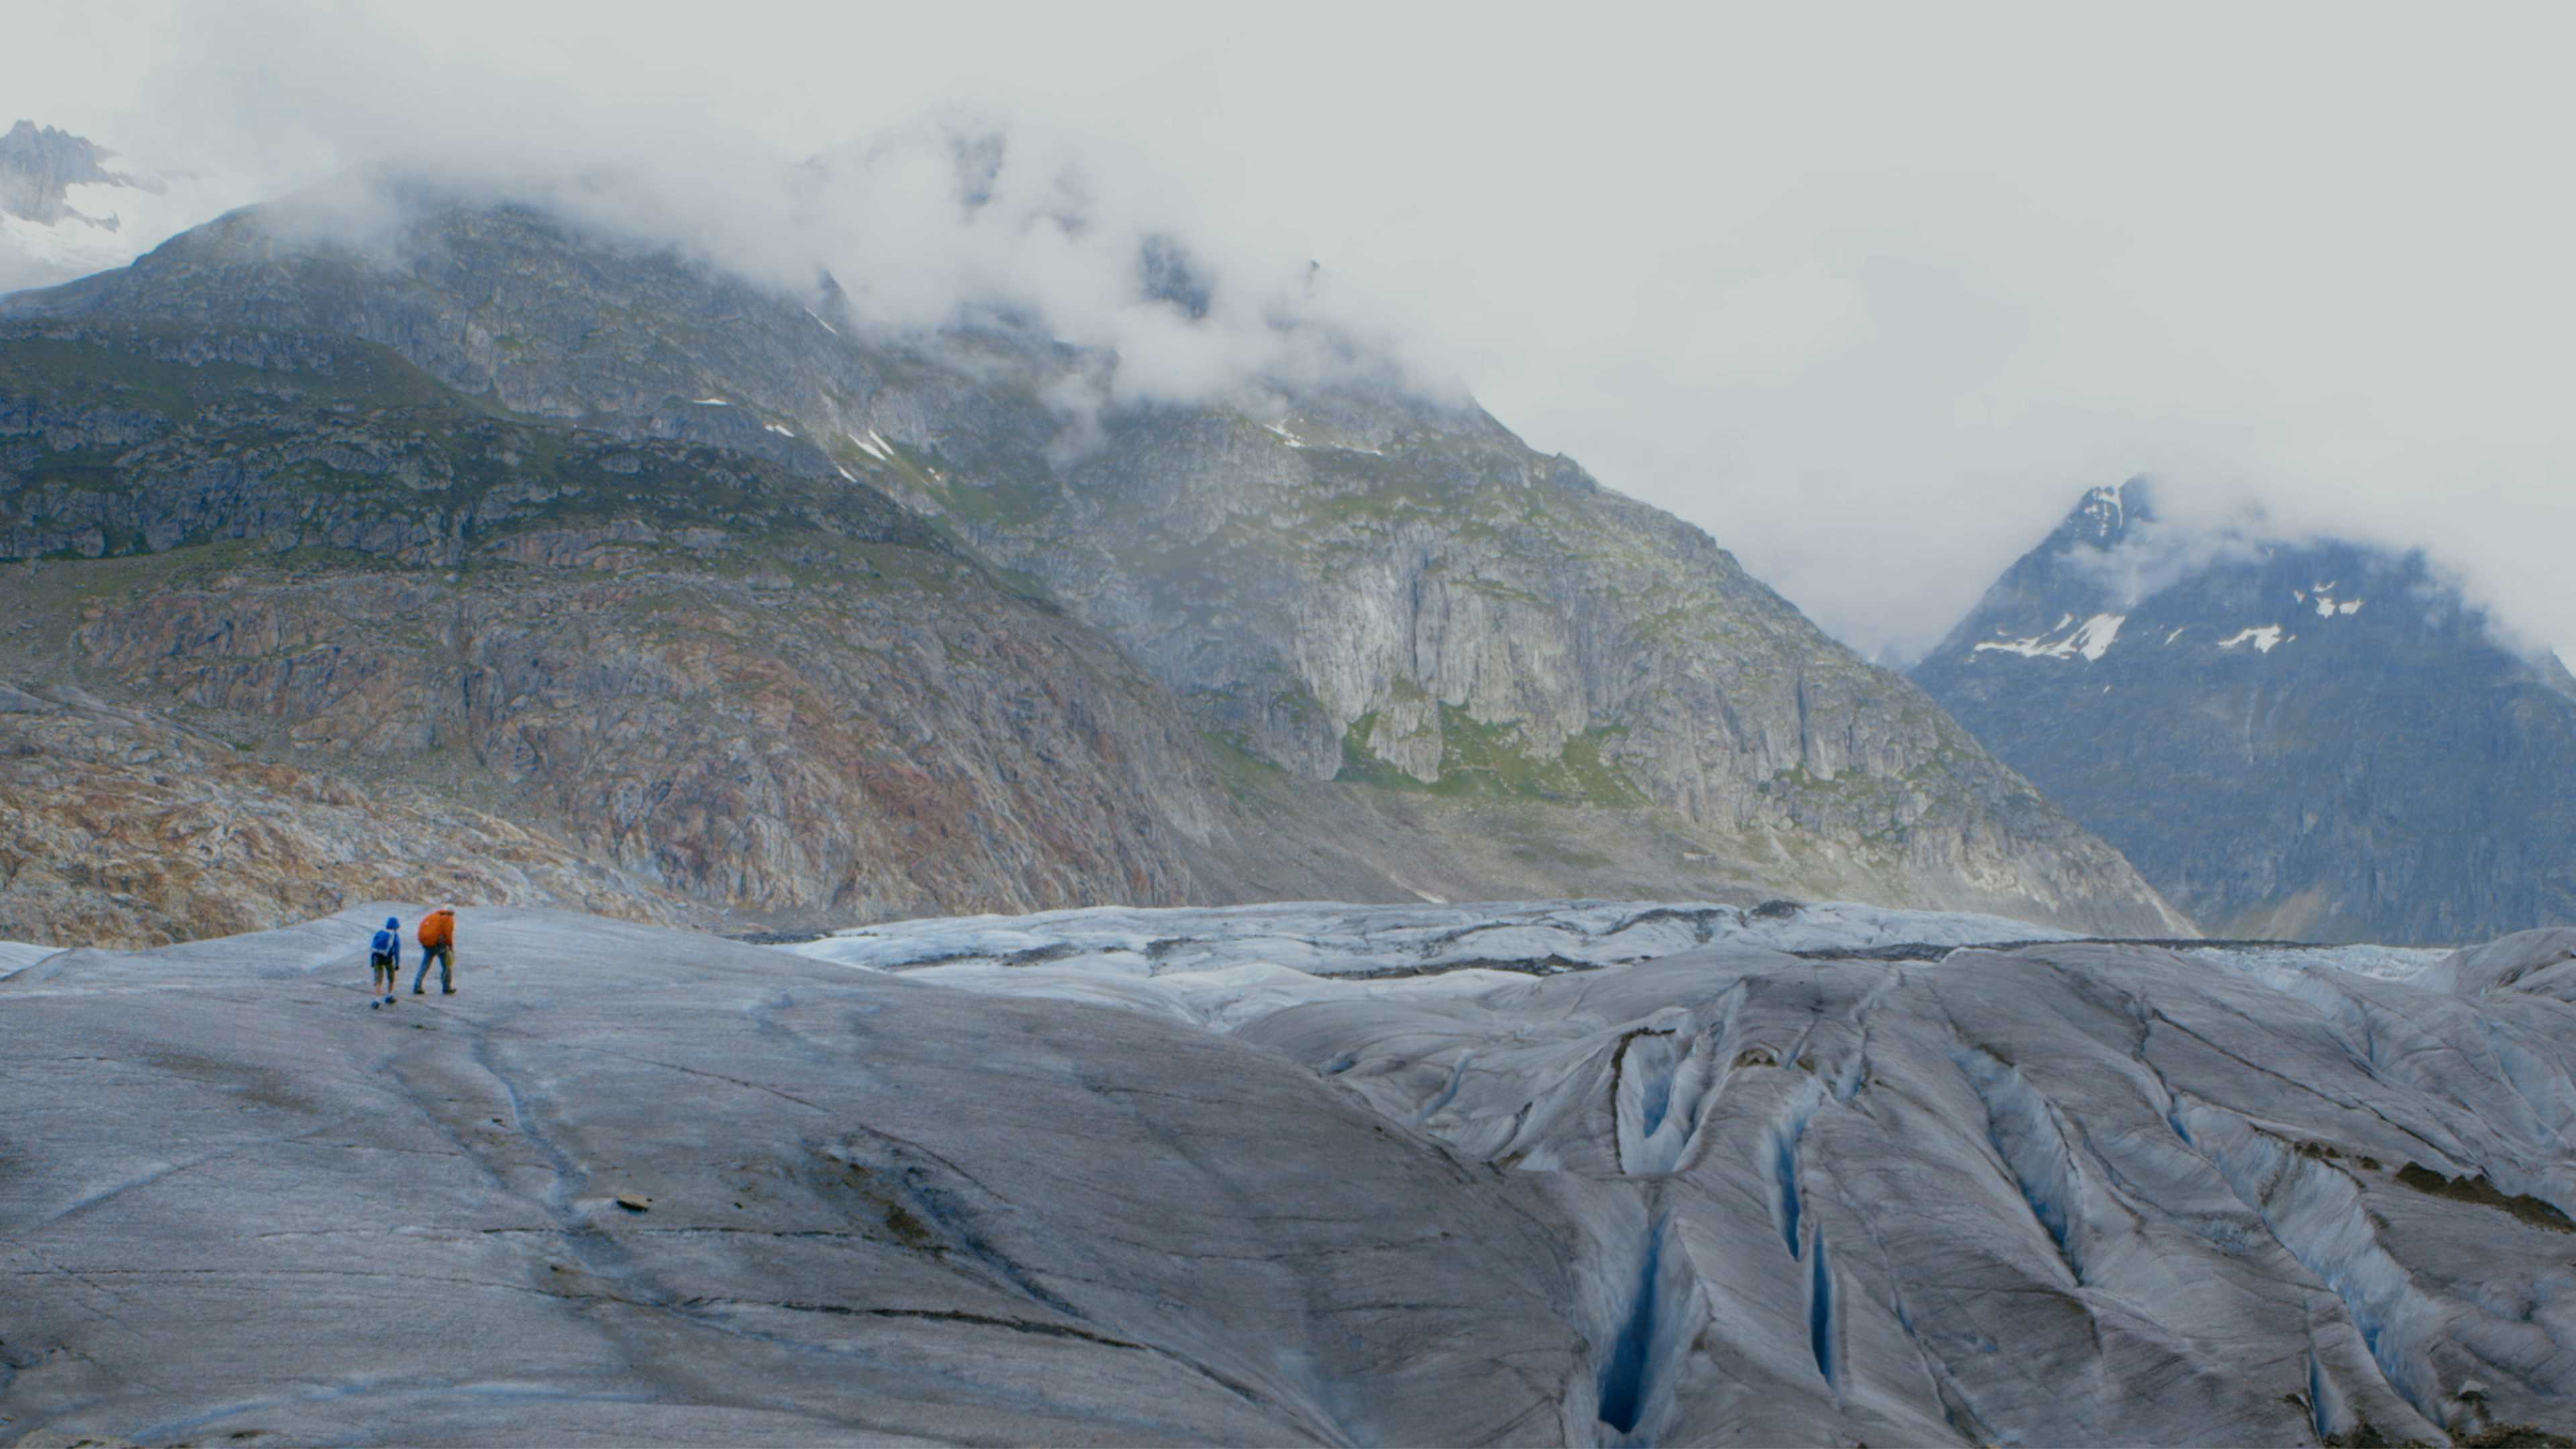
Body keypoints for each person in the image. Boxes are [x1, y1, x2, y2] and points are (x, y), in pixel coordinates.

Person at [413, 906, 459, 996]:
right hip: (440, 946)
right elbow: (448, 934)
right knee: (447, 966)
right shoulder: (448, 919)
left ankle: (417, 986)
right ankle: (447, 987)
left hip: (428, 945)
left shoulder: (434, 916)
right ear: (452, 913)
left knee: (424, 965)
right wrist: (450, 946)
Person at [369, 916, 402, 1004]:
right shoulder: (395, 937)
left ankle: (377, 1000)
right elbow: (397, 951)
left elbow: (373, 947)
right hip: (388, 960)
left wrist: (372, 961)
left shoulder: (380, 933)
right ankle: (390, 996)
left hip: (377, 959)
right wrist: (397, 964)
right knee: (391, 978)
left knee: (378, 980)